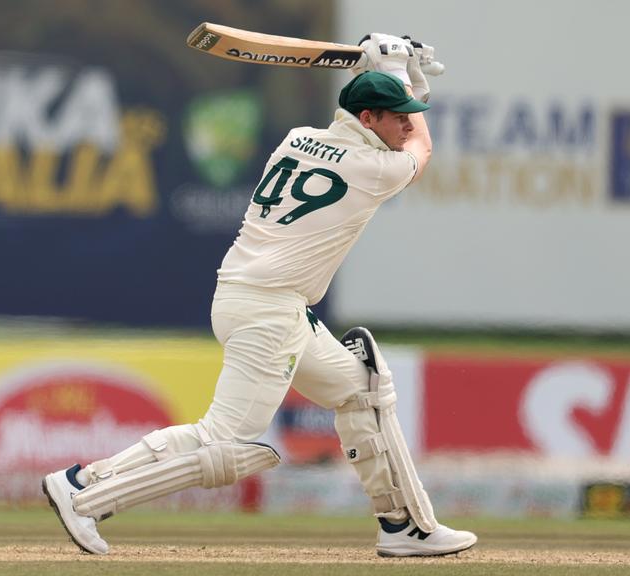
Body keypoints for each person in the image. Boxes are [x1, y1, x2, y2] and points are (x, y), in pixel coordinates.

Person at [42, 33, 477, 558]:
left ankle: (404, 525)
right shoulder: (372, 170)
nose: (408, 121)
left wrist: (403, 75)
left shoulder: (295, 138)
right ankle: (86, 489)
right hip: (269, 309)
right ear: (367, 121)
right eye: (397, 115)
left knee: (359, 388)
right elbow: (422, 148)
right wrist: (401, 69)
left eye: (409, 113)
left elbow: (393, 122)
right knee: (223, 438)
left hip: (257, 299)